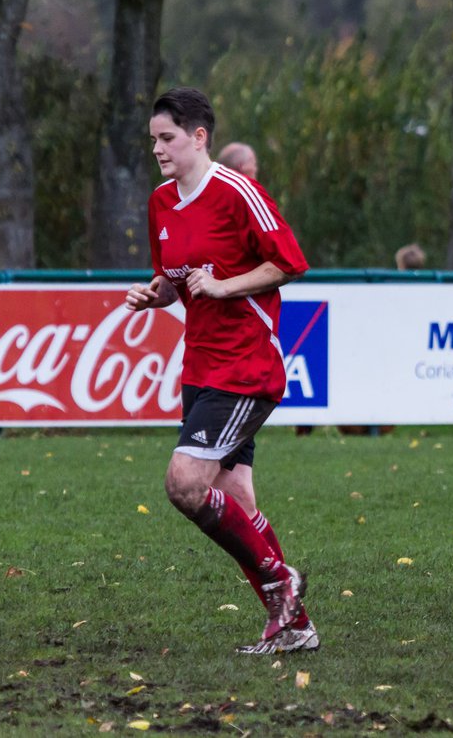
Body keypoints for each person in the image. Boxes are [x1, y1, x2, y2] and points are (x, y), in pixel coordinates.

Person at [125, 87, 318, 655]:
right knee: (239, 501)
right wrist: (155, 296)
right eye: (154, 140)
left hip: (246, 366)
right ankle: (294, 625)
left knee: (185, 484)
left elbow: (290, 263)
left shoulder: (237, 192)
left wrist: (226, 285)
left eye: (167, 138)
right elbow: (175, 277)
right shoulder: (162, 201)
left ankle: (281, 581)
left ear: (198, 136)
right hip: (200, 366)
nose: (157, 149)